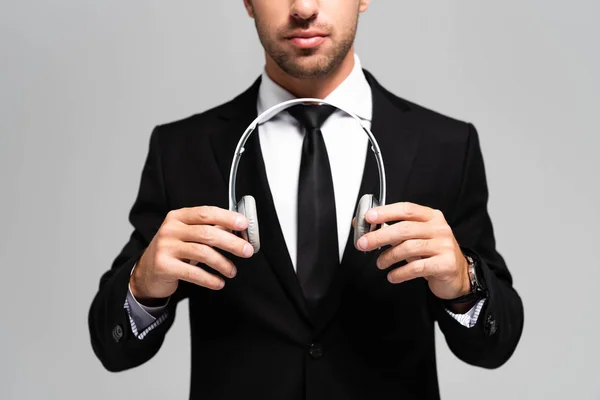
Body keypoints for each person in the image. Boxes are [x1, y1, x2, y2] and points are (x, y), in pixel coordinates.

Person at [88, 1, 524, 399]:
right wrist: (143, 287)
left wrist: (464, 284)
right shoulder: (182, 149)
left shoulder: (445, 146)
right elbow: (114, 348)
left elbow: (495, 344)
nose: (304, 7)